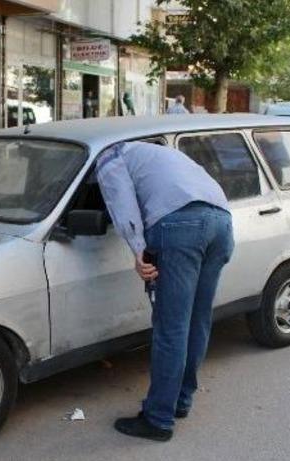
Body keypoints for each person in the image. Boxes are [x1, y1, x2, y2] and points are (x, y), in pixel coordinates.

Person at [95, 141, 234, 442]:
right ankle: (180, 402)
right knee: (197, 320)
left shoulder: (109, 157)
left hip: (179, 226)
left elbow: (122, 205)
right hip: (222, 223)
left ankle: (158, 419)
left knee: (171, 328)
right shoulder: (161, 153)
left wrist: (139, 252)